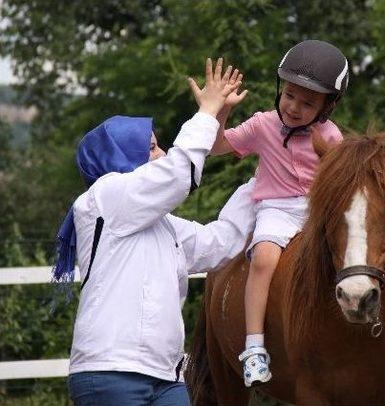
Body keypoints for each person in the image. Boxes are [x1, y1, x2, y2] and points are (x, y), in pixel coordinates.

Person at [53, 58, 256, 405]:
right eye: (150, 147)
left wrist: (264, 183)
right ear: (120, 159)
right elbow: (179, 174)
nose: (161, 152)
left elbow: (224, 240)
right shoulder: (105, 197)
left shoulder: (166, 228)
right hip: (108, 373)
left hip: (166, 377)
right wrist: (207, 111)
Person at [209, 40, 347, 387]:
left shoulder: (331, 136)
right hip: (277, 208)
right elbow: (217, 146)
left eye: (307, 102)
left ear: (327, 106)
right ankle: (254, 347)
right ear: (279, 90)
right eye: (289, 95)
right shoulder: (262, 125)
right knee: (264, 259)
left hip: (319, 209)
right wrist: (222, 110)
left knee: (366, 245)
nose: (294, 107)